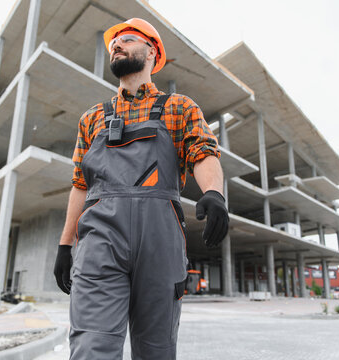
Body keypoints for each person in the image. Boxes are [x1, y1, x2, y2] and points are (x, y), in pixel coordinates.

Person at [54, 18, 229, 359]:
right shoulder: (92, 118)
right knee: (91, 347)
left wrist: (214, 192)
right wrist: (64, 244)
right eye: (112, 45)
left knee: (156, 350)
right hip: (100, 241)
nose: (116, 46)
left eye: (127, 39)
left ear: (152, 51)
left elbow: (203, 153)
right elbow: (80, 184)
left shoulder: (179, 108)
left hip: (160, 244)